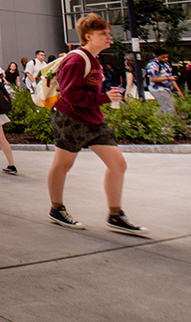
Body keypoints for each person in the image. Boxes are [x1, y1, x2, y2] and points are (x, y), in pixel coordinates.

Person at [46, 13, 147, 235]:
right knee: (62, 165)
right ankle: (57, 208)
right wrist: (104, 98)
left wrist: (102, 97)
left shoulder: (94, 60)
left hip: (92, 119)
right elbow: (70, 94)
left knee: (118, 164)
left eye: (108, 33)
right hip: (70, 119)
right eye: (104, 34)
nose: (109, 37)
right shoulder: (76, 60)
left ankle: (115, 214)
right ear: (89, 36)